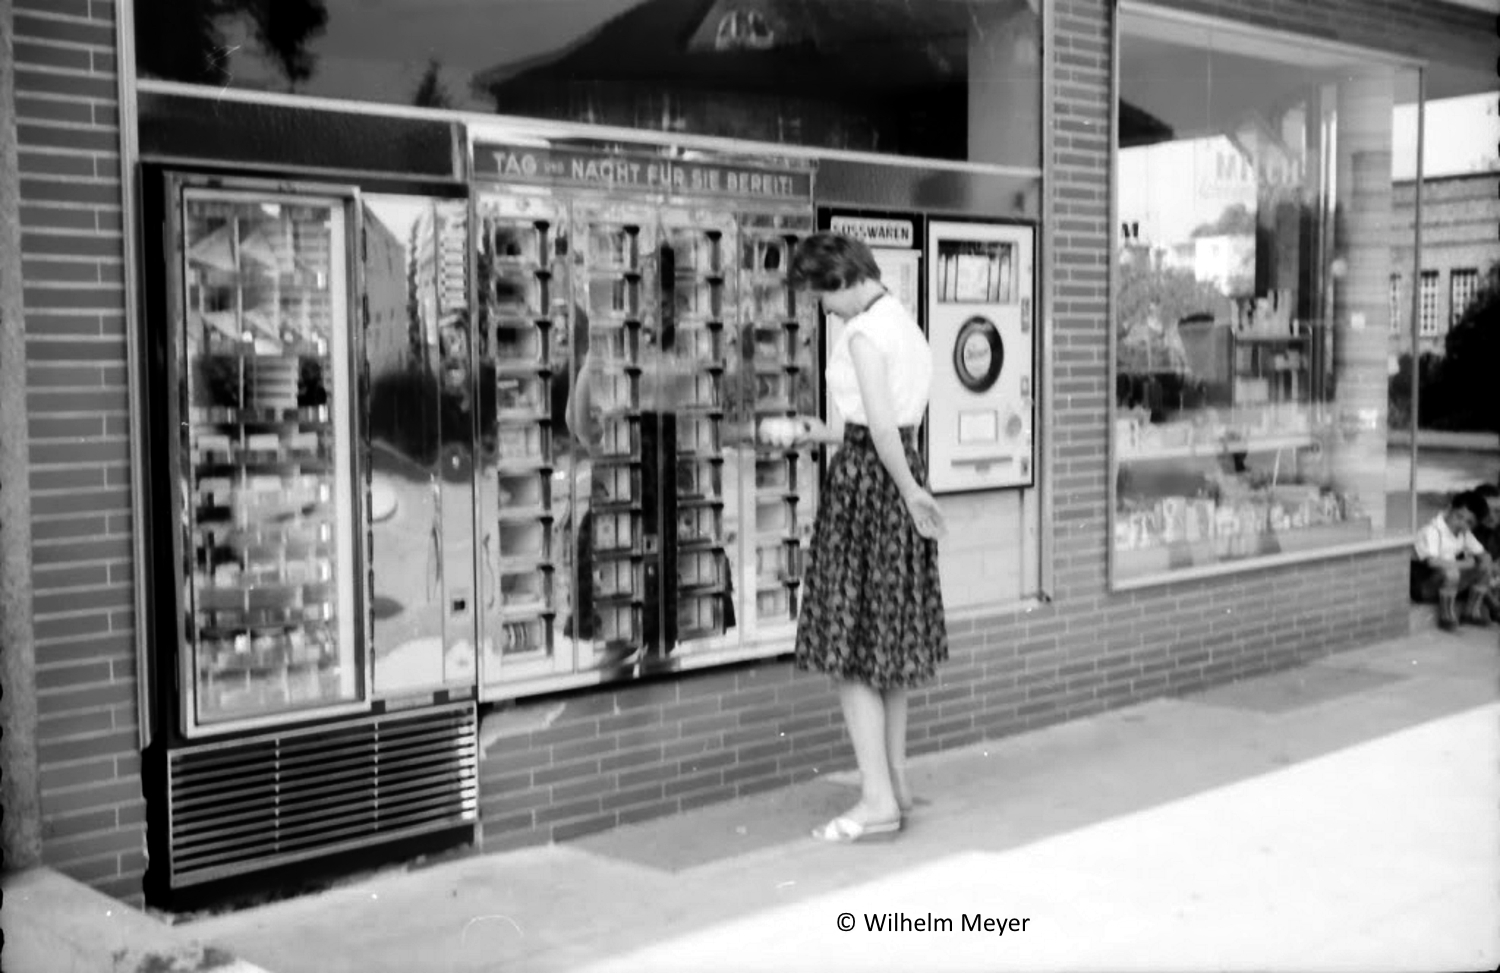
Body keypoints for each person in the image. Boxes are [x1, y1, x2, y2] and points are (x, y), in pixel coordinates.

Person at [774, 232, 948, 843]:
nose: (821, 308)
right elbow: (879, 423)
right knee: (886, 648)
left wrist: (907, 492)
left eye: (820, 295)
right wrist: (808, 431)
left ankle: (875, 801)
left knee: (847, 650)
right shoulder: (902, 321)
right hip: (895, 475)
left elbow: (876, 429)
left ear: (840, 279)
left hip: (869, 490)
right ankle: (893, 783)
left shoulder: (863, 335)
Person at [1411, 490, 1493, 631]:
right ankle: (1446, 617)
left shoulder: (1463, 533)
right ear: (1449, 508)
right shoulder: (1433, 530)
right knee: (1451, 572)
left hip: (1446, 585)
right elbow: (1432, 562)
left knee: (1484, 566)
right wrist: (1465, 564)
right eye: (1459, 516)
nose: (1462, 523)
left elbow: (1482, 554)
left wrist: (1485, 560)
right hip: (1423, 586)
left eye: (1469, 522)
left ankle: (1471, 612)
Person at [1470, 482, 1500, 622]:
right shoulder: (1468, 531)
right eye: (1487, 511)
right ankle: (1496, 608)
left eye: (1498, 511)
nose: (1492, 516)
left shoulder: (1497, 528)